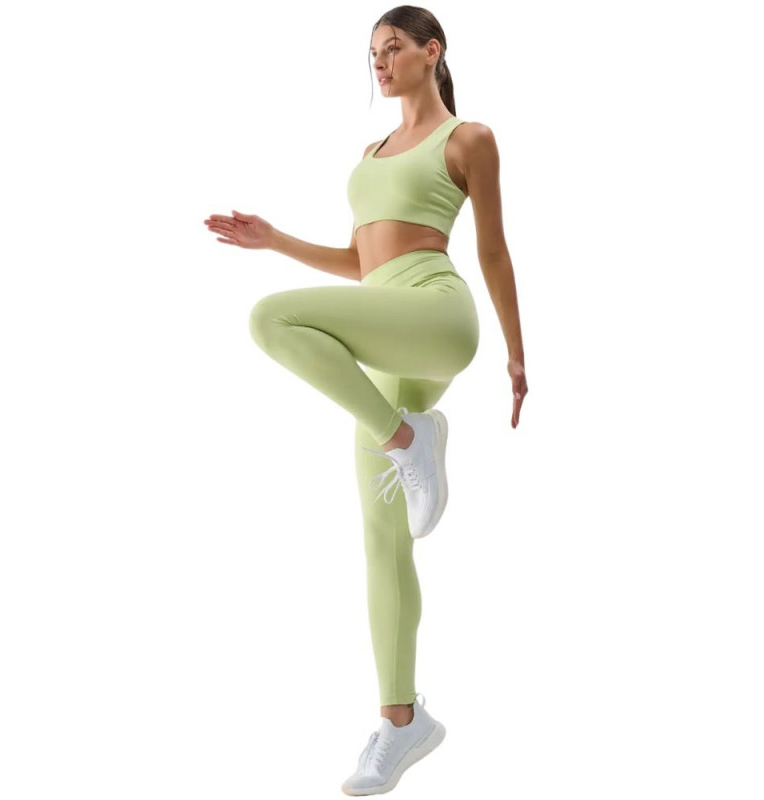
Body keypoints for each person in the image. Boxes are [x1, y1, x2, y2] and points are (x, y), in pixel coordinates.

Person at [203, 8, 527, 795]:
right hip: (384, 333)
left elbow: (490, 248)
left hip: (436, 314)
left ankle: (409, 440)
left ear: (431, 52)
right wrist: (276, 240)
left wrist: (517, 352)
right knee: (383, 543)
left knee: (271, 318)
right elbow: (362, 262)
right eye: (371, 53)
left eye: (393, 48)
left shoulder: (468, 138)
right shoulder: (370, 152)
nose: (379, 62)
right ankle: (401, 721)